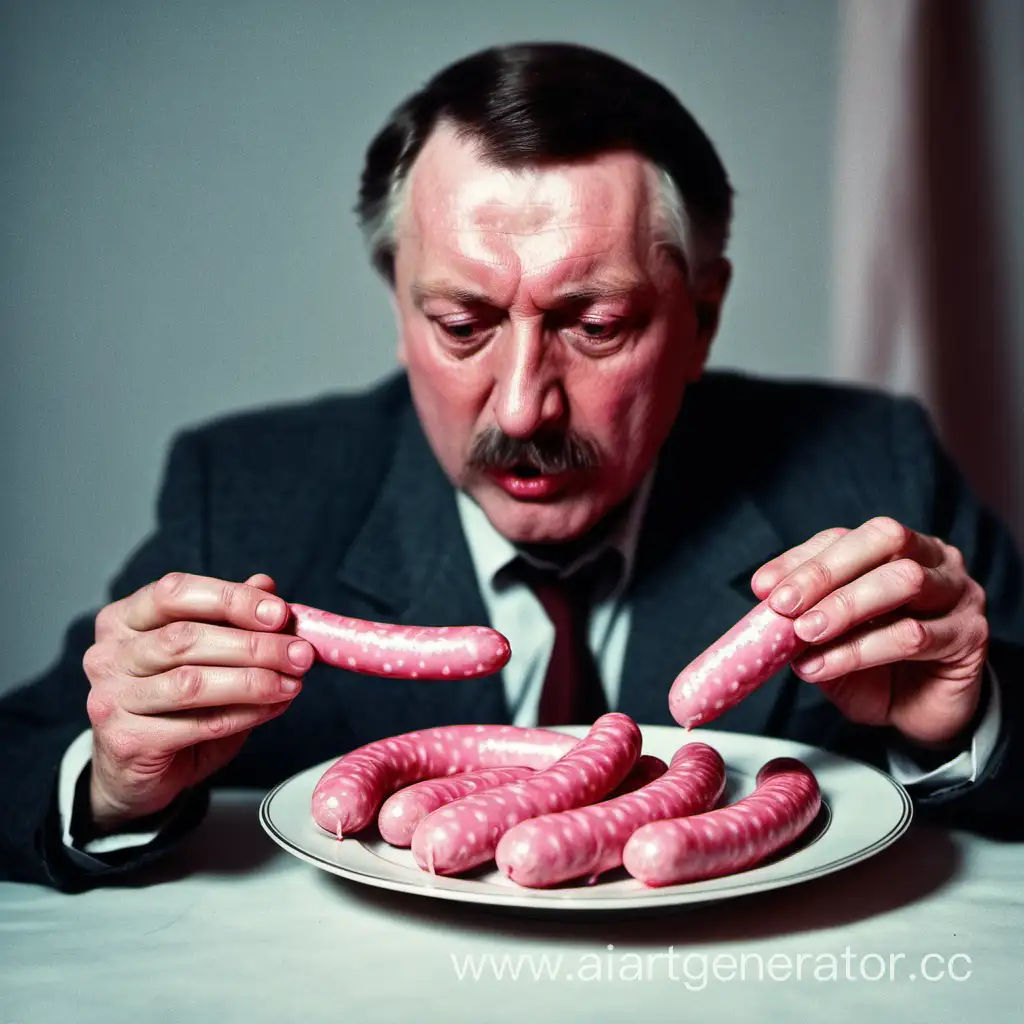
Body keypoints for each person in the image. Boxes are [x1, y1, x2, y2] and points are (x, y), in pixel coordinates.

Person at [2, 42, 1022, 892]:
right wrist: (111, 780)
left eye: (597, 325)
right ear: (396, 304)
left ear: (701, 315)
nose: (523, 403)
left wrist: (966, 721)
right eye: (462, 324)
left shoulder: (866, 469)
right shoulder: (247, 495)